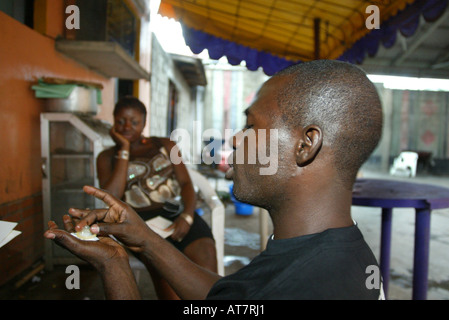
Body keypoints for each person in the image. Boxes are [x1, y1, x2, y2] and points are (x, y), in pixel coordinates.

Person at [44, 60, 384, 299]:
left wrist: (114, 268)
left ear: (305, 145)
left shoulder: (308, 287)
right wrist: (144, 239)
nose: (235, 139)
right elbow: (230, 299)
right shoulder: (314, 252)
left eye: (251, 126)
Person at [94, 96, 217, 299]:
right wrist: (124, 150)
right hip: (137, 221)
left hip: (175, 212)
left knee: (206, 254)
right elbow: (111, 197)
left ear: (144, 122)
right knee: (163, 271)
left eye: (134, 122)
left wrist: (187, 216)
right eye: (121, 121)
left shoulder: (168, 145)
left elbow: (186, 183)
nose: (127, 127)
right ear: (113, 121)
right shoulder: (106, 157)